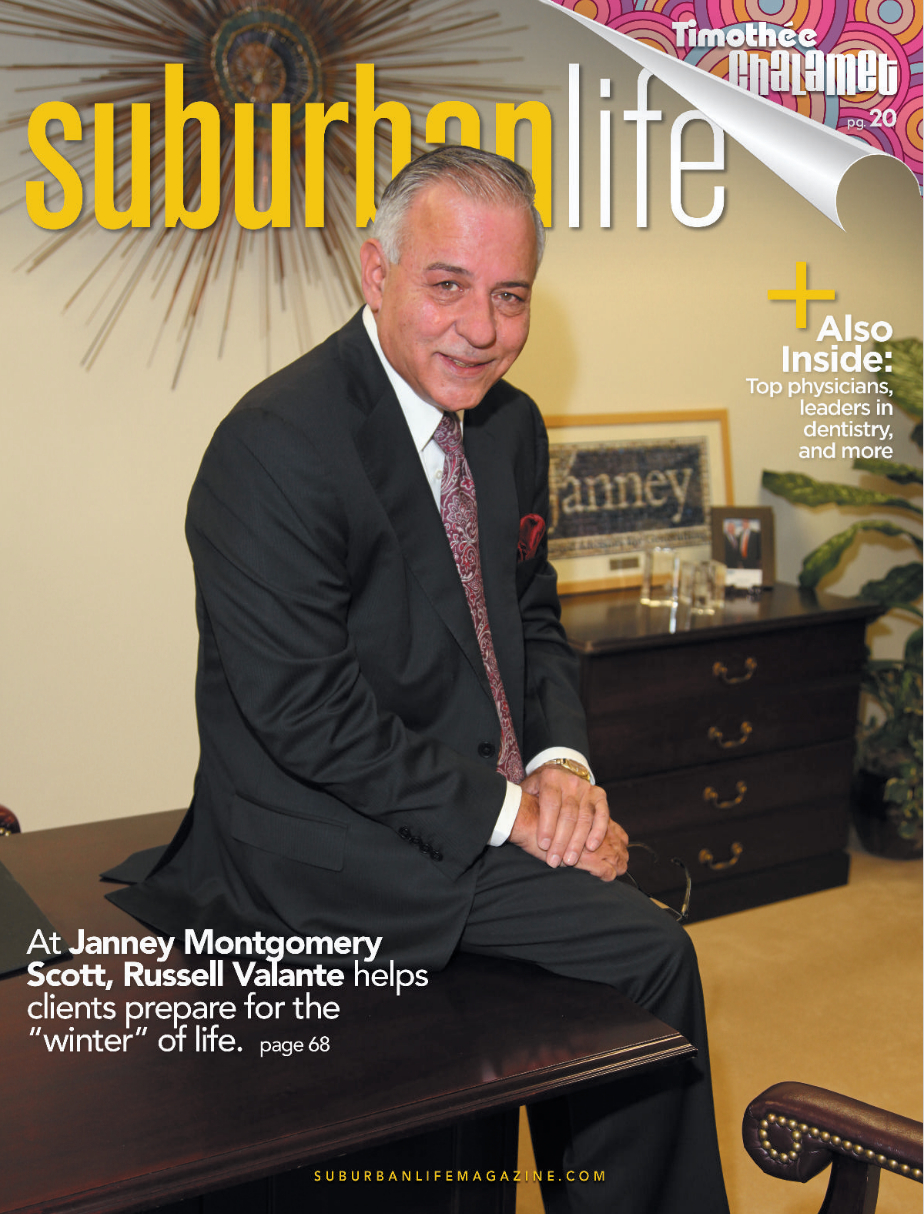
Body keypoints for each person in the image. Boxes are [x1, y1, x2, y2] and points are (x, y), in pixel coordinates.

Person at [109, 146, 729, 1214]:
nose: (480, 329)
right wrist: (521, 818)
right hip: (328, 843)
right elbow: (307, 715)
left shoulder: (511, 423)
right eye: (448, 285)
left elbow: (531, 615)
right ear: (376, 271)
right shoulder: (274, 445)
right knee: (647, 955)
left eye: (510, 296)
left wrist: (563, 765)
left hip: (472, 798)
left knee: (629, 961)